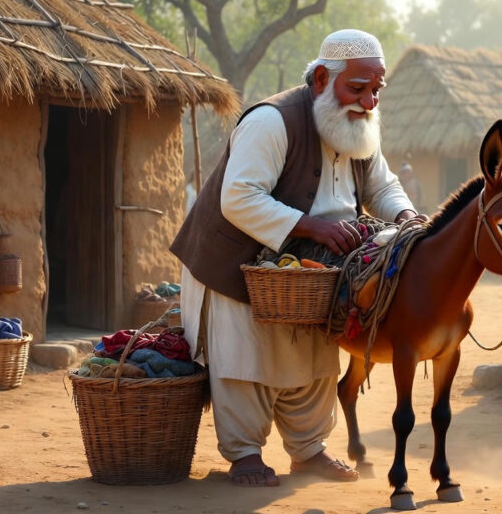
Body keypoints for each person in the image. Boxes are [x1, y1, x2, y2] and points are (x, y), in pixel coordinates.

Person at [171, 29, 421, 487]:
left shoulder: (360, 126)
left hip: (316, 272)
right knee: (246, 360)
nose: (369, 102)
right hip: (236, 265)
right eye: (359, 88)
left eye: (377, 90)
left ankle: (308, 451)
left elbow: (381, 187)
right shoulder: (272, 121)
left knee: (316, 356)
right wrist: (312, 226)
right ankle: (245, 454)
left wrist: (407, 217)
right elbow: (240, 197)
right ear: (323, 78)